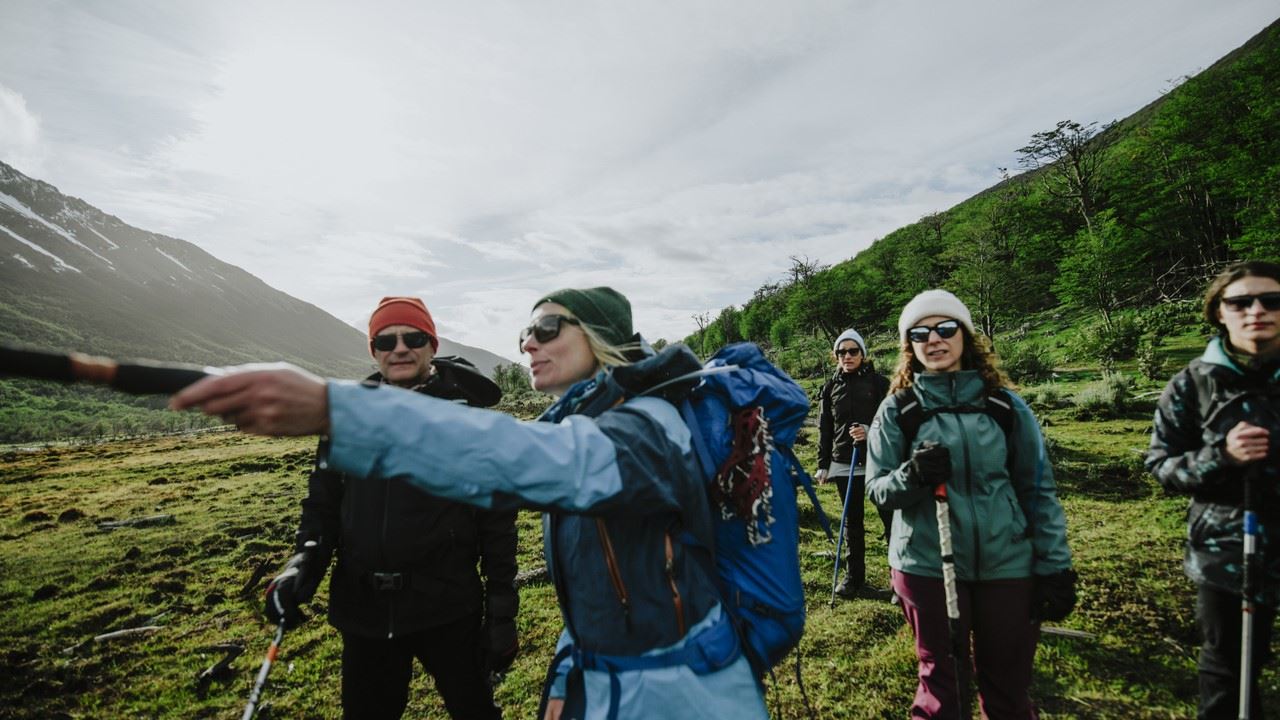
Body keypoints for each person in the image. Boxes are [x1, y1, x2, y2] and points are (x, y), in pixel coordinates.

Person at [172, 287, 768, 720]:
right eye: (524, 333)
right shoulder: (587, 418)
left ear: (600, 338)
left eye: (547, 328)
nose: (528, 342)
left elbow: (525, 463)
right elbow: (602, 584)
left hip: (666, 686)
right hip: (603, 676)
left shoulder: (642, 429)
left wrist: (344, 411)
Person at [263, 296, 517, 720]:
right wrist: (302, 566)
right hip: (364, 612)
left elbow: (497, 523)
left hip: (449, 607)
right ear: (374, 351)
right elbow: (322, 507)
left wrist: (503, 612)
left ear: (431, 345)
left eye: (413, 337)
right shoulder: (346, 420)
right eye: (386, 340)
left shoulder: (465, 420)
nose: (399, 348)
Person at [866, 289, 1075, 719]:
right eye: (920, 333)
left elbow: (1037, 490)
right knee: (942, 686)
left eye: (946, 328)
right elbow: (879, 489)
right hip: (926, 565)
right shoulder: (898, 411)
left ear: (966, 336)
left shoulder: (1005, 407)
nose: (934, 339)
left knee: (1009, 686)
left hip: (1008, 564)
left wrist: (1055, 565)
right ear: (910, 346)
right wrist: (914, 475)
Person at [1146, 261, 1280, 719]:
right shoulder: (1192, 384)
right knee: (1227, 674)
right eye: (1241, 302)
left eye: (1271, 300)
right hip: (1225, 553)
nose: (1256, 310)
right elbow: (1161, 465)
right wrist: (1221, 456)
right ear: (1219, 312)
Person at [816, 328, 892, 598]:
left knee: (889, 518)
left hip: (877, 460)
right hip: (843, 462)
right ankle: (853, 580)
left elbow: (893, 424)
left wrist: (869, 431)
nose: (847, 356)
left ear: (862, 354)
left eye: (852, 351)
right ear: (835, 356)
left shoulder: (880, 384)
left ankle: (899, 582)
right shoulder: (830, 387)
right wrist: (823, 464)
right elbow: (825, 426)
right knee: (852, 522)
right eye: (841, 352)